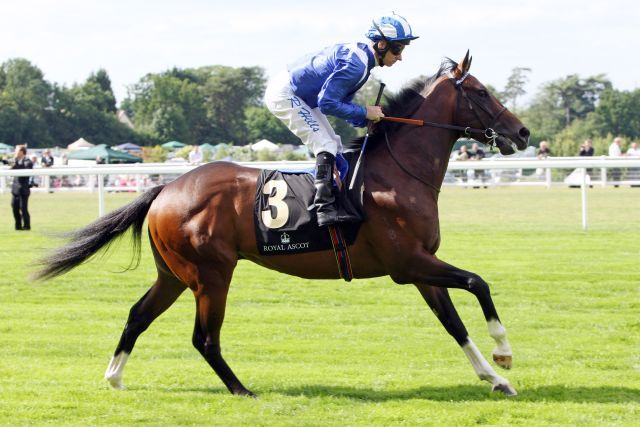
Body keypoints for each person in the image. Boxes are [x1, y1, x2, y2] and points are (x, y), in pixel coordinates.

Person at [264, 12, 419, 226]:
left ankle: (336, 201)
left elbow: (342, 105)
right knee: (325, 144)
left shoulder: (363, 61)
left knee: (335, 144)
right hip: (287, 94)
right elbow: (327, 103)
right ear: (381, 44)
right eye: (398, 48)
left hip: (302, 95)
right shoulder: (357, 66)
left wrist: (367, 120)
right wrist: (365, 113)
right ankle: (323, 209)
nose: (400, 56)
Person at [10, 145, 33, 230]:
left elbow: (25, 173)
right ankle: (18, 226)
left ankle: (27, 226)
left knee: (23, 208)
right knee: (14, 207)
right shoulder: (15, 161)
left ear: (22, 152)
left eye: (17, 151)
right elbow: (11, 170)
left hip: (23, 190)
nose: (15, 153)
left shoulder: (28, 161)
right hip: (15, 189)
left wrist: (16, 162)